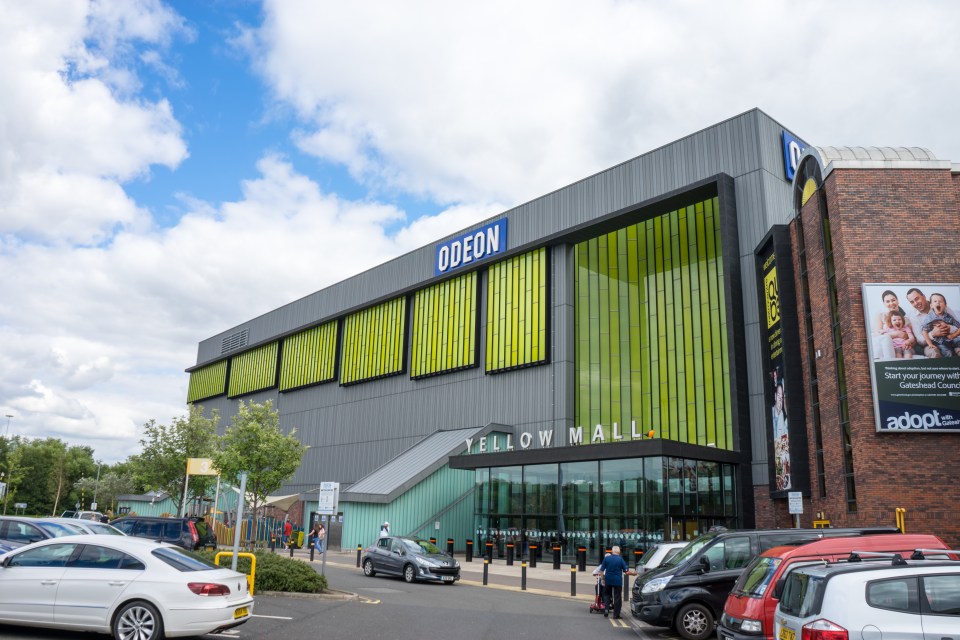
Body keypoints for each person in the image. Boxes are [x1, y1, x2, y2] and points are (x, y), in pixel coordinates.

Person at [906, 287, 956, 358]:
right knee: (934, 353)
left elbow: (957, 326)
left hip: (949, 338)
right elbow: (919, 339)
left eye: (917, 299)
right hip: (929, 344)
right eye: (912, 302)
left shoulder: (939, 304)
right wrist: (933, 334)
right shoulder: (913, 316)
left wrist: (947, 328)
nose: (916, 303)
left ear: (924, 296)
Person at [597, 545, 635, 619]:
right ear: (619, 552)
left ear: (612, 551)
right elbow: (626, 572)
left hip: (608, 579)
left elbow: (601, 571)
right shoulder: (620, 559)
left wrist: (603, 579)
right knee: (617, 598)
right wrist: (634, 573)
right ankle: (616, 615)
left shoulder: (607, 558)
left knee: (607, 595)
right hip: (617, 581)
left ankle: (606, 610)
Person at [922, 293, 960, 357]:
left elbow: (958, 326)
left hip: (951, 339)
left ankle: (957, 349)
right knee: (948, 353)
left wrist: (953, 335)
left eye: (940, 301)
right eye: (935, 301)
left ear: (945, 305)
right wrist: (930, 344)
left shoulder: (948, 316)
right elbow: (924, 331)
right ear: (931, 305)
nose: (938, 303)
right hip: (940, 342)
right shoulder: (930, 318)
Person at [872, 289, 905, 359]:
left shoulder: (905, 317)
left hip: (903, 345)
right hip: (887, 346)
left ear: (898, 301)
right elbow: (877, 334)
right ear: (884, 304)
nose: (891, 303)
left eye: (893, 300)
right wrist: (896, 334)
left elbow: (907, 335)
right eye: (887, 301)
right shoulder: (881, 315)